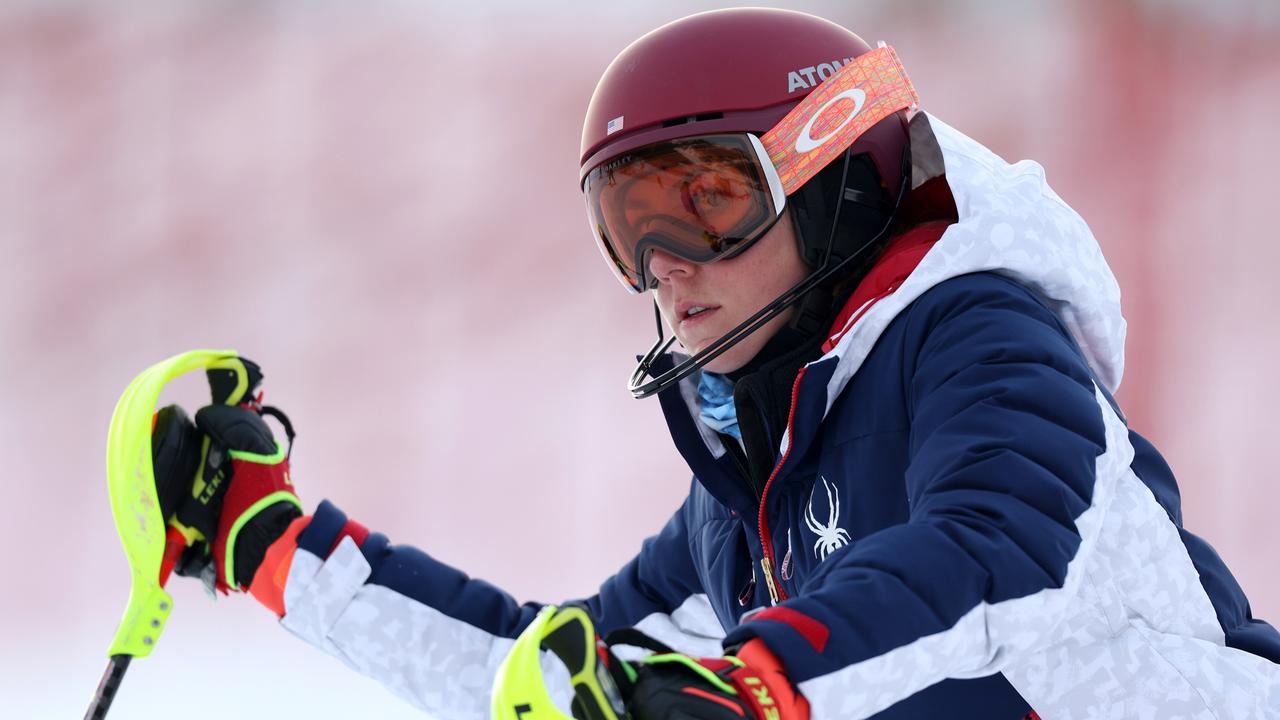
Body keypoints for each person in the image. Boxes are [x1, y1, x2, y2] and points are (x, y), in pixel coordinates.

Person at [156, 8, 1280, 719]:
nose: (663, 268)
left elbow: (991, 554)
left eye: (705, 206)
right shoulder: (746, 485)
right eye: (626, 224)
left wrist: (754, 680)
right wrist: (273, 548)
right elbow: (556, 676)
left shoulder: (980, 340)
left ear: (836, 187)